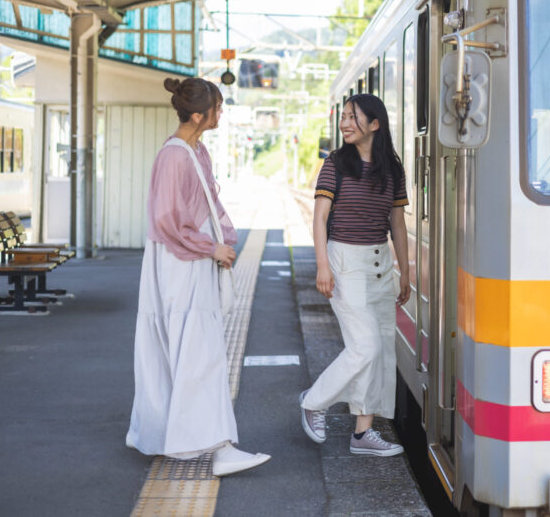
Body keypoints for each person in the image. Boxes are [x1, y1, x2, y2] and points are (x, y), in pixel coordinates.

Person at [126, 77, 270, 477]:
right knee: (200, 354)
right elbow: (168, 220)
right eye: (217, 109)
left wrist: (220, 242)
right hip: (182, 265)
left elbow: (204, 207)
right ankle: (220, 449)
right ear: (196, 115)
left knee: (184, 353)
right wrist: (212, 247)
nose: (220, 114)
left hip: (185, 262)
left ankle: (167, 437)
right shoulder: (176, 156)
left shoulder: (193, 150)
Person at [300, 93, 410, 456]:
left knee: (379, 350)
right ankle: (314, 401)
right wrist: (323, 265)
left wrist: (405, 271)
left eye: (353, 117)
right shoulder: (335, 164)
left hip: (379, 265)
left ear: (375, 124)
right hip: (345, 260)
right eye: (344, 117)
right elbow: (319, 218)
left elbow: (397, 223)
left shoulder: (392, 168)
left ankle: (363, 433)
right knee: (365, 346)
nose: (345, 123)